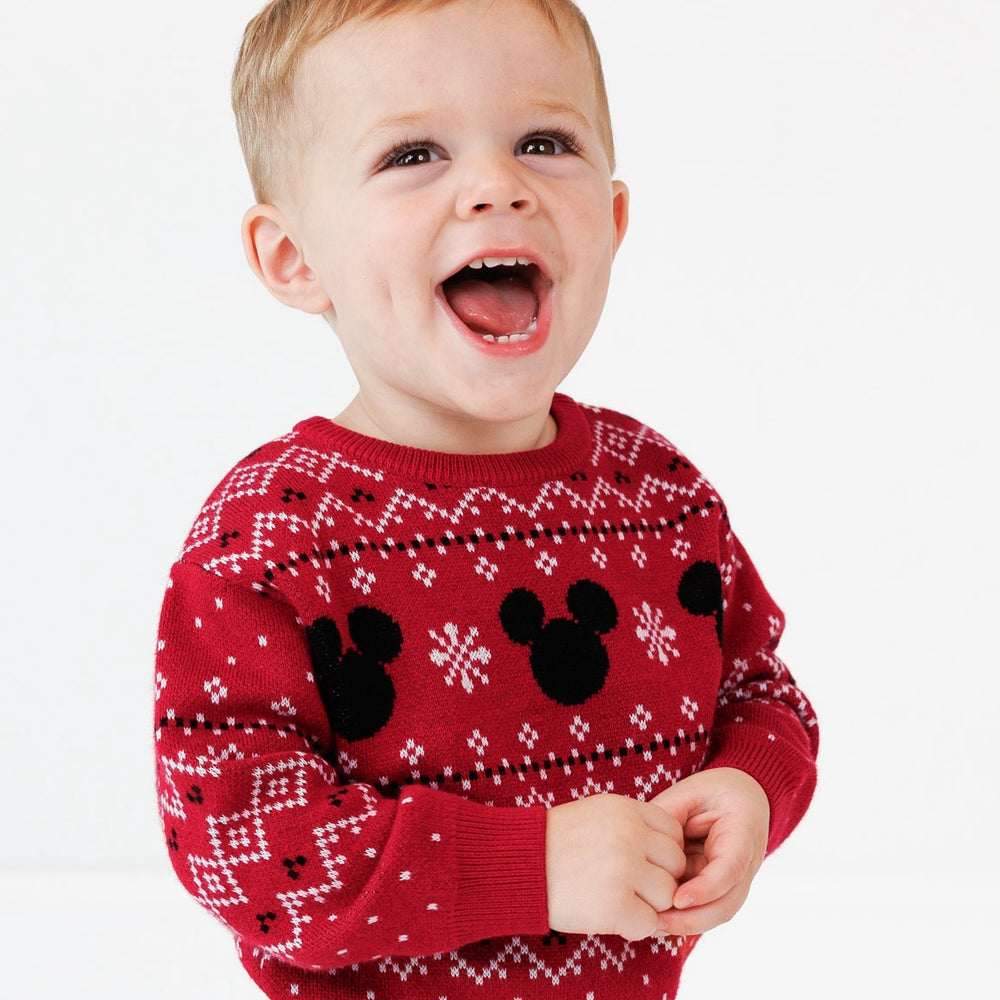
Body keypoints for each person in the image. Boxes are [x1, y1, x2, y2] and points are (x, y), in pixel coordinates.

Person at [153, 1, 819, 997]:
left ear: (612, 218)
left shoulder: (659, 493)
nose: (496, 186)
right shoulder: (271, 539)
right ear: (294, 258)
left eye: (543, 142)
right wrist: (529, 868)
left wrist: (751, 788)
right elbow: (235, 841)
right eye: (412, 154)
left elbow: (757, 689)